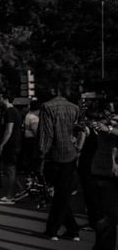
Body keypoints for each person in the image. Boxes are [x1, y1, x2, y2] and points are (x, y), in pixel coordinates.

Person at [38, 90, 81, 241]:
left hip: (54, 155)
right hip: (70, 154)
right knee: (63, 194)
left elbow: (46, 134)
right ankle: (72, 229)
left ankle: (53, 230)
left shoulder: (47, 107)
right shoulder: (74, 108)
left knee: (56, 195)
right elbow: (77, 130)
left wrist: (41, 155)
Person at [88, 101, 117, 250]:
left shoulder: (110, 125)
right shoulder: (103, 123)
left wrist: (109, 128)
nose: (109, 113)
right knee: (106, 216)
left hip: (107, 173)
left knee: (107, 217)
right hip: (105, 172)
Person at [0, 94, 22, 205]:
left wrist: (2, 144)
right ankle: (19, 189)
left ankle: (10, 196)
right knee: (8, 168)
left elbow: (8, 130)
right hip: (14, 143)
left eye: (0, 98)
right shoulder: (14, 111)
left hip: (11, 144)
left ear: (6, 99)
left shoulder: (10, 112)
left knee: (10, 170)